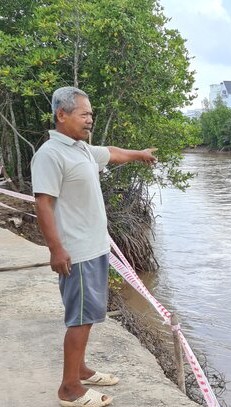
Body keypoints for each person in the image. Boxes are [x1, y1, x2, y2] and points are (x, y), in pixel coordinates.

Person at [31, 86, 157, 407]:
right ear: (62, 115)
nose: (90, 120)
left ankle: (81, 369)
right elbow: (43, 204)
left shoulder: (81, 149)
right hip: (77, 253)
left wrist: (138, 155)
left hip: (95, 248)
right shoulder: (51, 154)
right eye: (84, 114)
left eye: (91, 114)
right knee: (80, 319)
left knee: (89, 316)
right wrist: (55, 250)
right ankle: (69, 388)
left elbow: (111, 152)